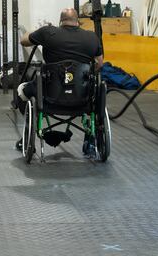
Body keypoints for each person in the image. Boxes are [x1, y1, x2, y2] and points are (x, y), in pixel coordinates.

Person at [17, 8, 103, 154]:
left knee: (21, 90)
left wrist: (34, 31)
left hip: (50, 96)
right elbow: (99, 64)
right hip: (82, 98)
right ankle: (91, 138)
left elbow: (24, 41)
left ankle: (26, 135)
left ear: (60, 20)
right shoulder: (92, 37)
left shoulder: (47, 32)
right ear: (78, 21)